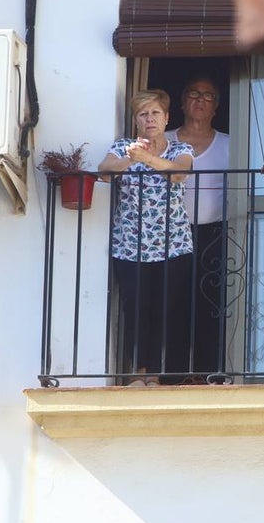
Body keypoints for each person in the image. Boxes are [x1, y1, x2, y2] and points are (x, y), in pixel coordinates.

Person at [98, 89, 194, 386]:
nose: (149, 118)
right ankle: (140, 373)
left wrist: (148, 159)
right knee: (137, 307)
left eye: (155, 113)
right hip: (131, 244)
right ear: (136, 120)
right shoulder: (123, 147)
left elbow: (179, 173)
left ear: (166, 118)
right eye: (143, 114)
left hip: (173, 243)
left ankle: (160, 374)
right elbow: (104, 172)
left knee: (167, 308)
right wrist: (131, 159)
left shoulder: (180, 149)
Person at [165, 76, 230, 379]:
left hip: (215, 233)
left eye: (208, 95)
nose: (200, 100)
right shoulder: (163, 141)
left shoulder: (232, 144)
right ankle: (173, 374)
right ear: (181, 102)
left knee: (210, 306)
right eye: (193, 93)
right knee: (173, 303)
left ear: (216, 106)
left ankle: (208, 373)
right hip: (170, 233)